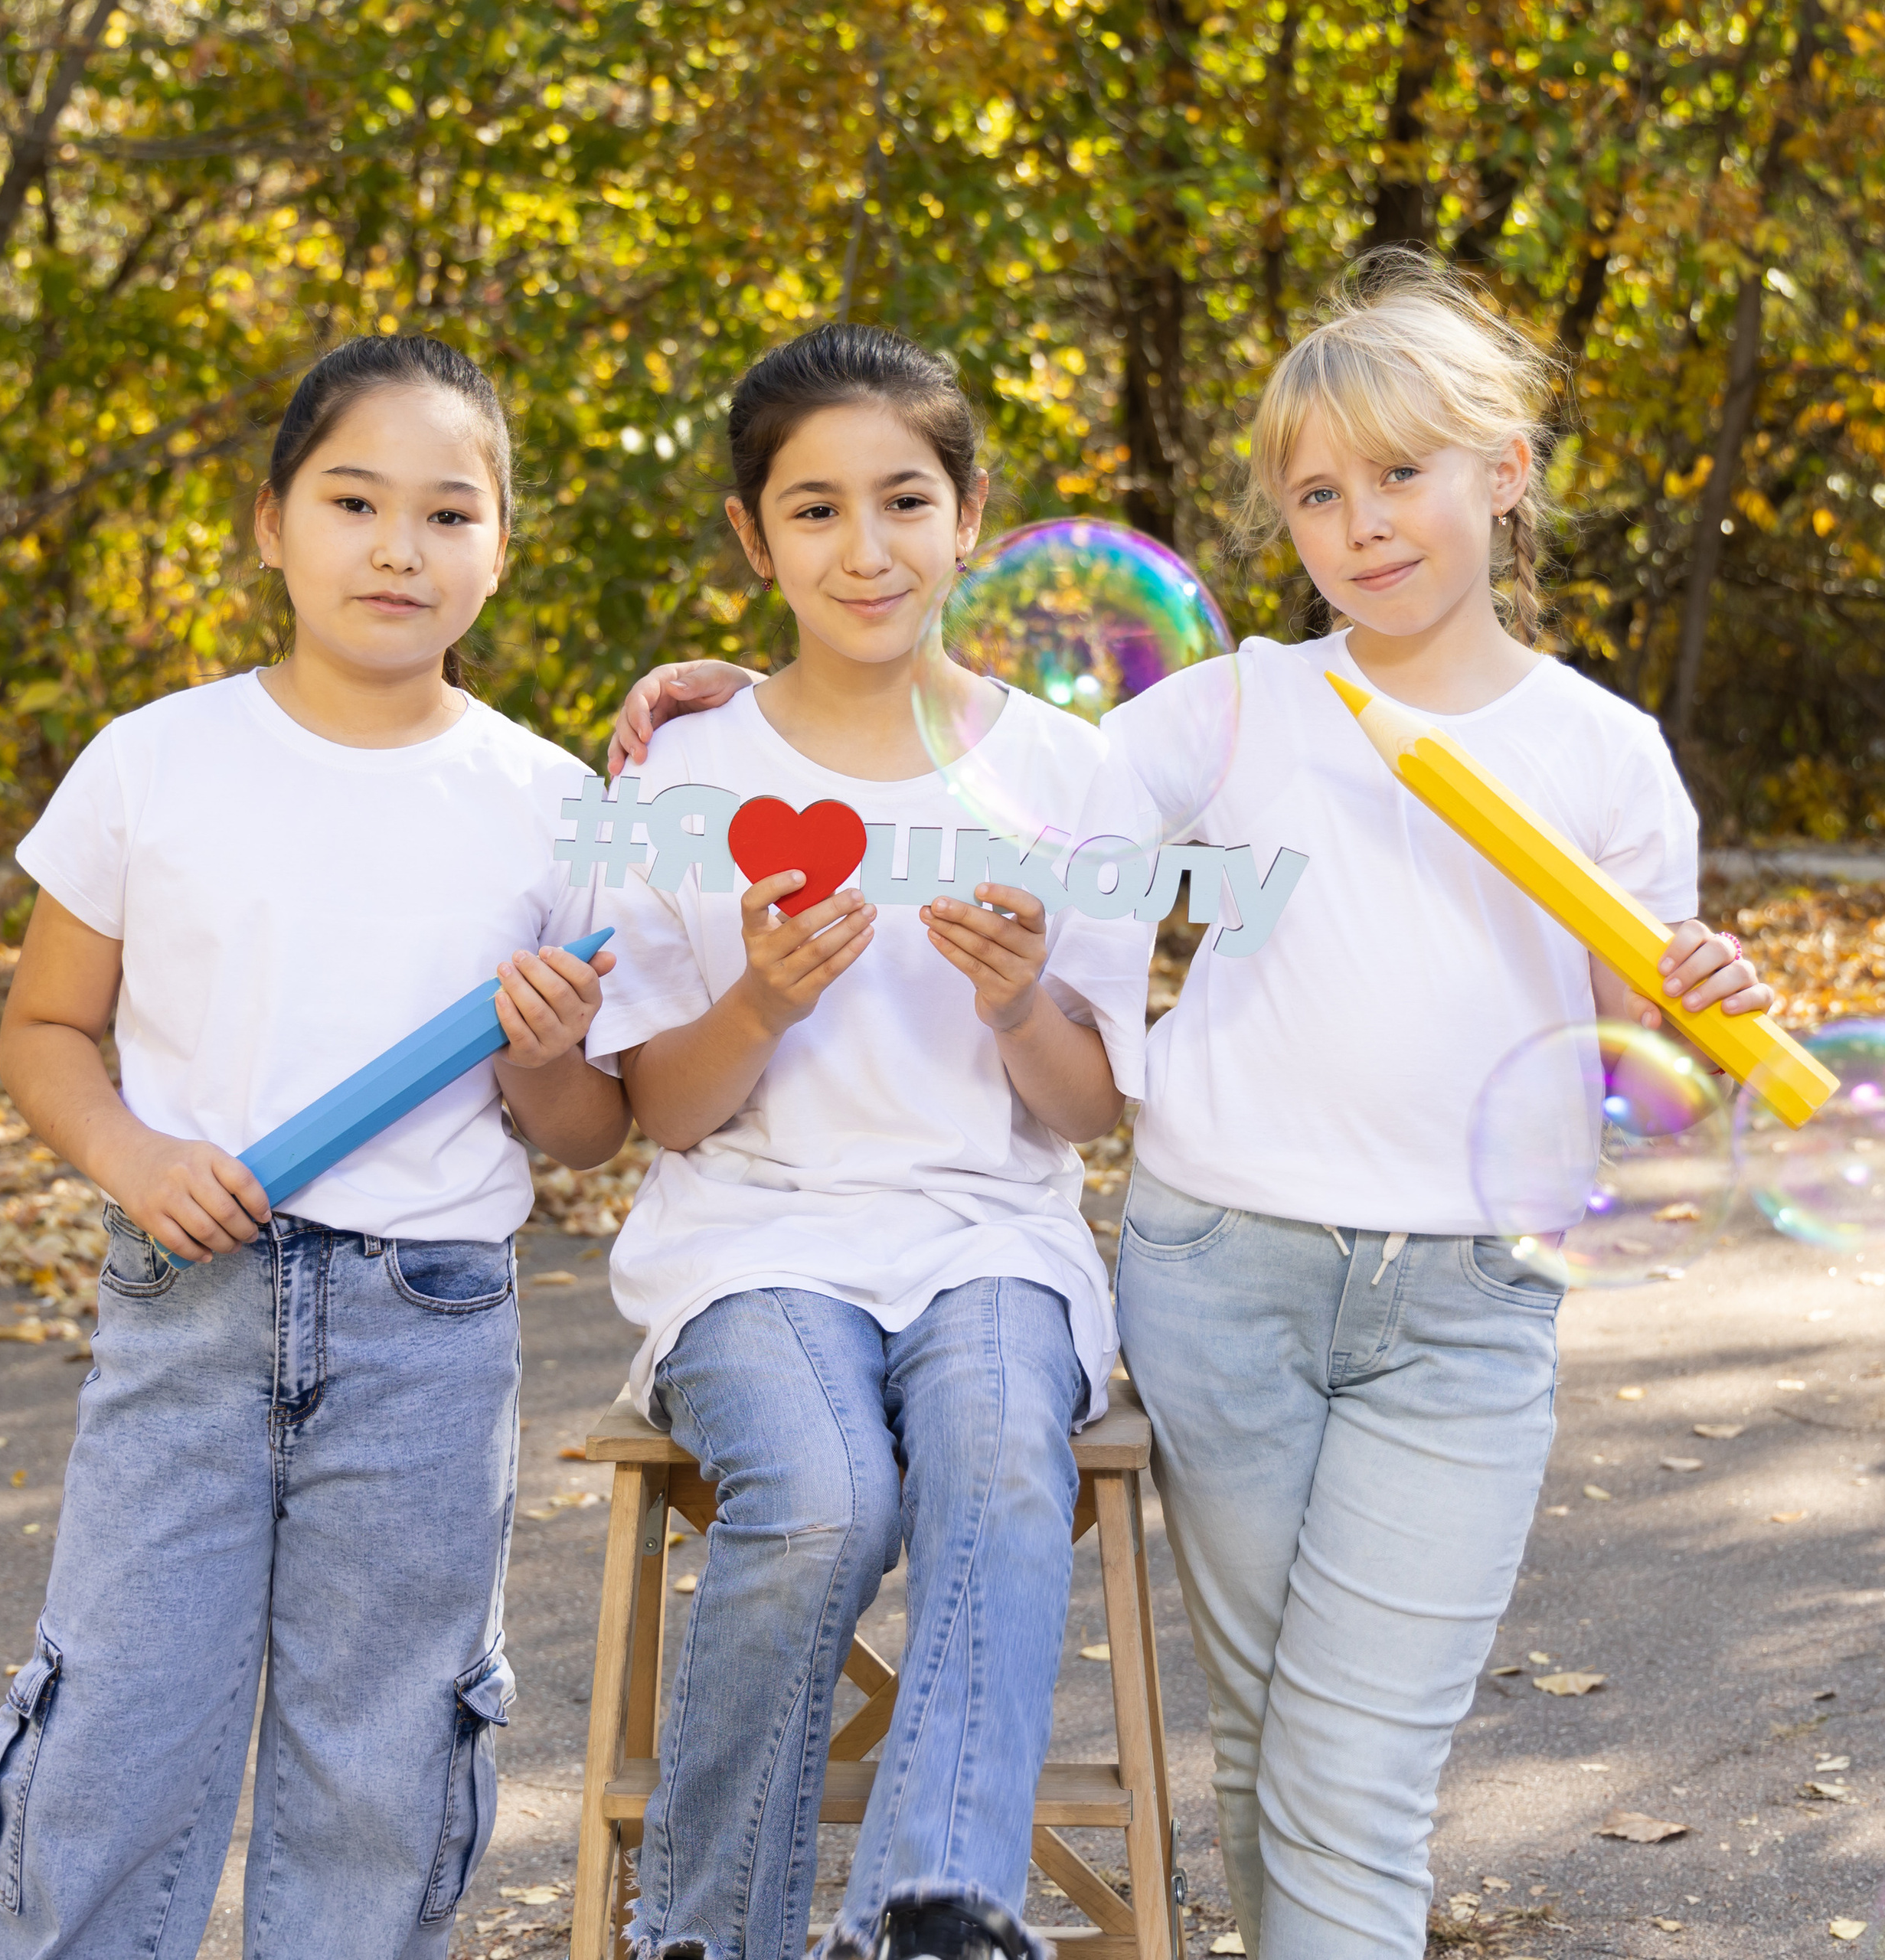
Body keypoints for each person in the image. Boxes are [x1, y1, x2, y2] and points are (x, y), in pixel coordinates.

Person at [606, 256, 1774, 1958]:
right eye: (1314, 492)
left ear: (1503, 470)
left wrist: (1693, 1021)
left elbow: (1625, 1072)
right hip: (1221, 1268)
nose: (1359, 524)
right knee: (1280, 1747)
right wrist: (735, 680)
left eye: (1398, 474)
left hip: (1463, 1299)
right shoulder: (1226, 709)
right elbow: (956, 749)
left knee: (1353, 1762)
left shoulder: (1603, 755)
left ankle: (944, 1903)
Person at [0, 335, 628, 1958]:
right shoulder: (154, 758)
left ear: (500, 545)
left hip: (430, 1331)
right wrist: (131, 1155)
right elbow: (44, 1032)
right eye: (355, 500)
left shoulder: (553, 807)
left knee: (379, 1767)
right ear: (273, 522)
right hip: (187, 1304)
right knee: (112, 1741)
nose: (399, 548)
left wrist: (548, 1056)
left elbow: (581, 1131)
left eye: (448, 512)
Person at [580, 322, 1151, 1960]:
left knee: (989, 1455)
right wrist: (756, 1001)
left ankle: (929, 1905)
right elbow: (653, 1113)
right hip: (751, 1240)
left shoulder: (1064, 770)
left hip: (992, 1235)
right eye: (812, 509)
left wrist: (1021, 1000)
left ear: (969, 511)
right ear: (753, 541)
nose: (865, 546)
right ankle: (705, 1929)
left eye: (903, 498)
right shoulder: (683, 768)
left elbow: (1082, 1105)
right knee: (822, 1488)